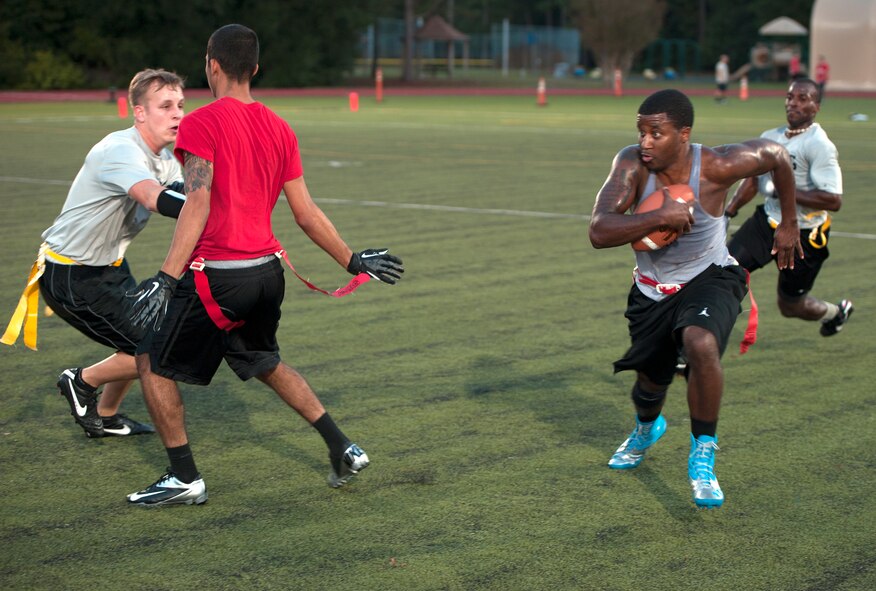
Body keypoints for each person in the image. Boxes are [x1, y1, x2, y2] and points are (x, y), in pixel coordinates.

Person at [125, 24, 404, 507]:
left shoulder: (201, 123)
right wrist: (353, 260)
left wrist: (166, 279)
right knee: (263, 361)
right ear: (255, 67)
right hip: (267, 275)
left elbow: (197, 203)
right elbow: (306, 212)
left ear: (211, 64)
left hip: (220, 278)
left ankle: (183, 477)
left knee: (150, 358)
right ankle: (343, 446)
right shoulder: (280, 126)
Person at [589, 89, 801, 508]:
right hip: (651, 292)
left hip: (711, 277)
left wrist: (788, 223)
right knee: (649, 385)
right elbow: (598, 231)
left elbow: (776, 155)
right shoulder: (631, 164)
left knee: (700, 341)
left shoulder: (719, 165)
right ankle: (648, 427)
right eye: (641, 131)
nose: (645, 142)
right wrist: (657, 217)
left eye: (657, 132)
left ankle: (703, 451)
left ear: (683, 134)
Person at [2, 69, 187, 438]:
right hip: (72, 275)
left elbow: (187, 194)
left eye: (180, 105)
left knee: (146, 334)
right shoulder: (119, 149)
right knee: (152, 348)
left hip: (110, 266)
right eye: (165, 106)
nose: (178, 114)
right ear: (139, 113)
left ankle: (105, 415)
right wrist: (216, 210)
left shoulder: (165, 159)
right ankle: (80, 380)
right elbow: (154, 198)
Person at [725, 78, 851, 336]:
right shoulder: (769, 138)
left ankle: (835, 312)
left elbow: (833, 200)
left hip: (806, 235)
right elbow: (752, 183)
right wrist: (727, 213)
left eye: (802, 98)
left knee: (790, 305)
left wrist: (786, 191)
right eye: (790, 97)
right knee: (724, 275)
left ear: (815, 107)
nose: (793, 102)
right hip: (767, 223)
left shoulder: (819, 145)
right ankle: (696, 349)